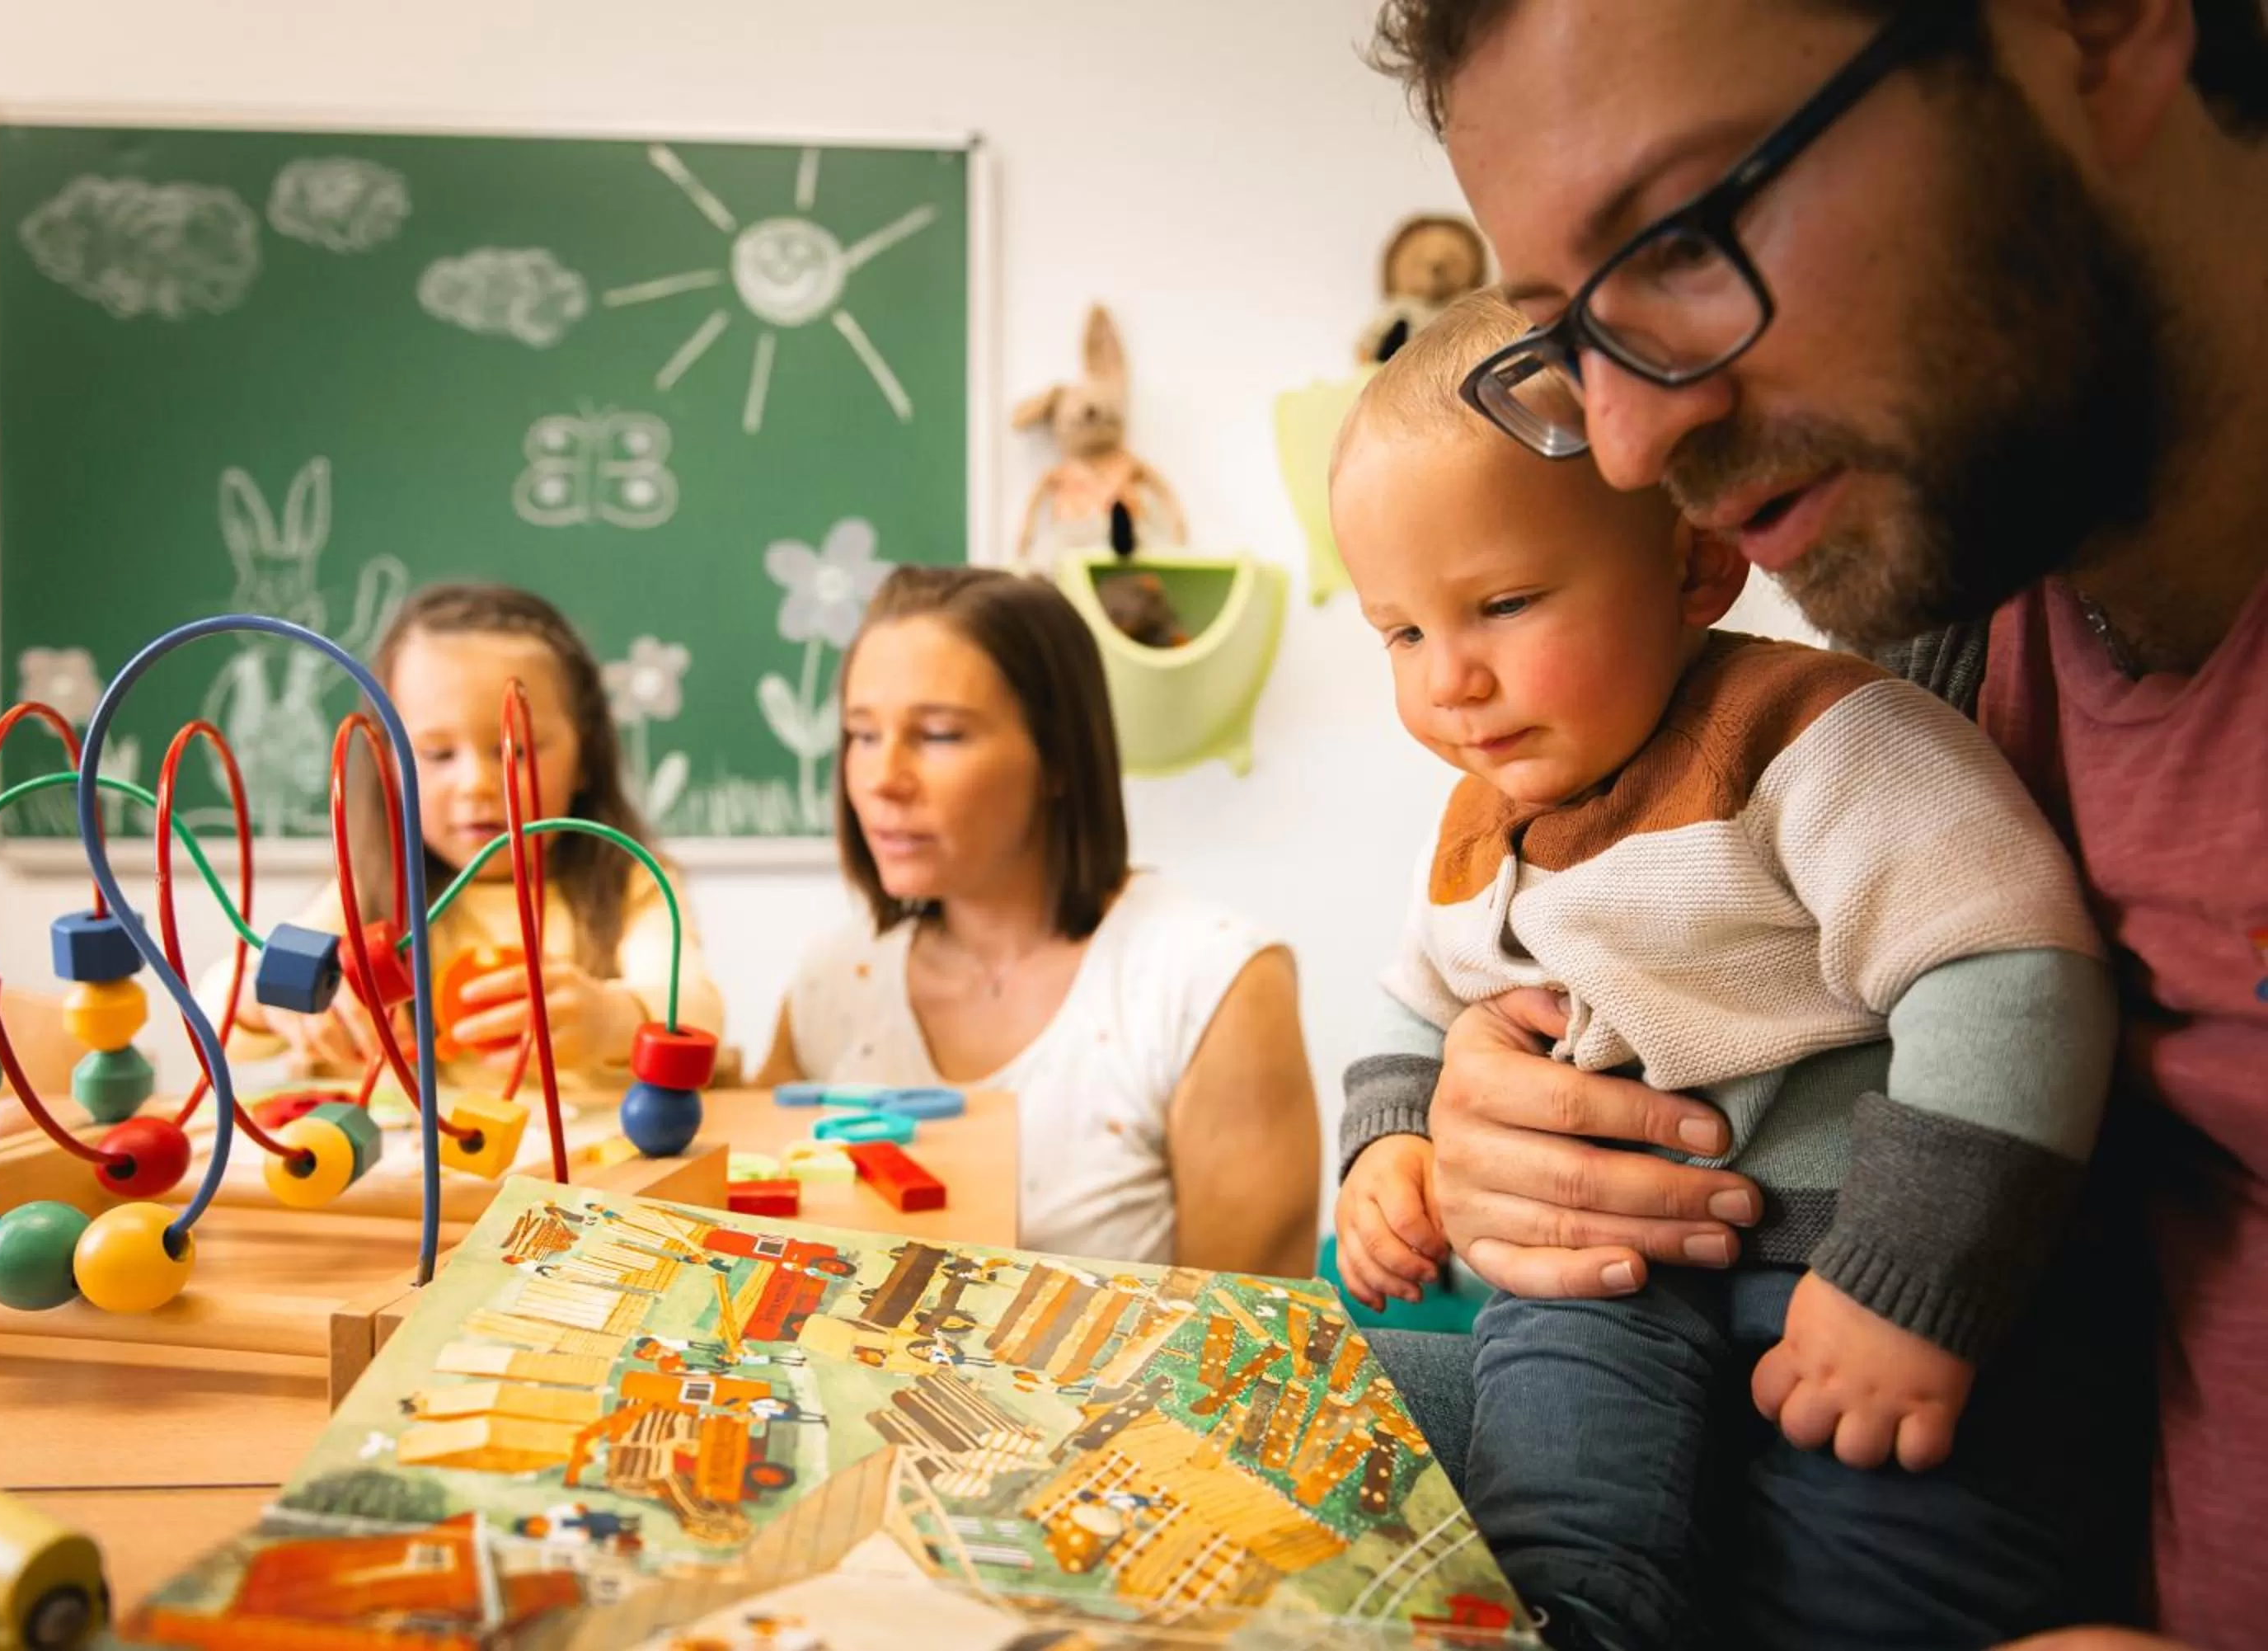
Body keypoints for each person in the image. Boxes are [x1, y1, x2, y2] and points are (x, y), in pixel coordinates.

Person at [1359, 1, 2268, 1641]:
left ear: (2104, 23)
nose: (1629, 441)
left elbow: (2001, 1005)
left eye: (1690, 239)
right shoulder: (1947, 625)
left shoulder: (1845, 733)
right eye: (1570, 344)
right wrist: (1471, 1130)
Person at [1329, 293, 2115, 1648]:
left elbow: (2013, 972)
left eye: (1503, 604)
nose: (1449, 680)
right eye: (1399, 632)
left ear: (1697, 569)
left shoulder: (1820, 741)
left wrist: (1911, 1281)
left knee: (1874, 1554)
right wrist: (1386, 1145)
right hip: (1608, 1274)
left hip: (1855, 1266)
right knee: (1546, 1506)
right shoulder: (1479, 820)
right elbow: (1423, 995)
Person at [757, 565, 1320, 1273]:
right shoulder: (835, 980)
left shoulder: (1212, 984)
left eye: (937, 735)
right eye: (862, 736)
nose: (882, 780)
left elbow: (1243, 1349)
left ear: (1058, 757)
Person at [226, 583, 724, 1086]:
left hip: (593, 1159)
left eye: (518, 751)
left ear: (584, 760)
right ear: (388, 765)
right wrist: (272, 1005)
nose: (477, 785)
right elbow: (221, 998)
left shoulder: (628, 883)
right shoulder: (371, 891)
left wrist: (610, 1019)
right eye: (438, 755)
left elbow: (699, 1012)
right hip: (409, 1161)